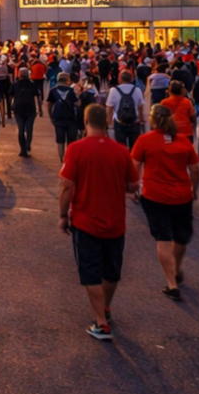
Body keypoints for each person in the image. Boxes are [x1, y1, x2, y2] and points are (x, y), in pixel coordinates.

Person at [57, 103, 138, 339]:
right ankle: (105, 308)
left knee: (90, 271)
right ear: (107, 122)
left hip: (86, 220)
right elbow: (133, 185)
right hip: (115, 220)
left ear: (85, 121)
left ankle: (101, 321)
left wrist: (63, 215)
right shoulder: (121, 151)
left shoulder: (76, 149)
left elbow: (67, 186)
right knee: (111, 271)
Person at [129, 103, 199, 300]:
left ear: (152, 120)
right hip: (181, 195)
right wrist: (195, 189)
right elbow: (194, 169)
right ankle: (176, 269)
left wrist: (134, 187)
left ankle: (171, 282)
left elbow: (134, 164)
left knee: (163, 238)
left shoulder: (145, 140)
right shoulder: (184, 141)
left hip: (154, 195)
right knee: (181, 236)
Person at [47, 72, 81, 162]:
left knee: (60, 140)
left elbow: (49, 105)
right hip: (71, 118)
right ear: (67, 80)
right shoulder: (71, 90)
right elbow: (78, 103)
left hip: (58, 118)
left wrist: (51, 117)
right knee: (71, 140)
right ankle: (69, 158)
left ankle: (61, 159)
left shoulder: (53, 90)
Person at [106, 71, 145, 148]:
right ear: (131, 79)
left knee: (121, 147)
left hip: (119, 122)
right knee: (134, 148)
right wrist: (141, 120)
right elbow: (140, 107)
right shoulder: (137, 90)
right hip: (134, 122)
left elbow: (109, 108)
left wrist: (109, 123)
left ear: (119, 79)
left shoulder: (113, 90)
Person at [11, 67, 40, 158]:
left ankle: (23, 149)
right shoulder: (32, 84)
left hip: (19, 110)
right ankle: (27, 145)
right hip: (30, 109)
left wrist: (11, 106)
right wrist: (40, 109)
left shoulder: (15, 84)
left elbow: (10, 96)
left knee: (21, 129)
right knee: (29, 128)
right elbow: (38, 97)